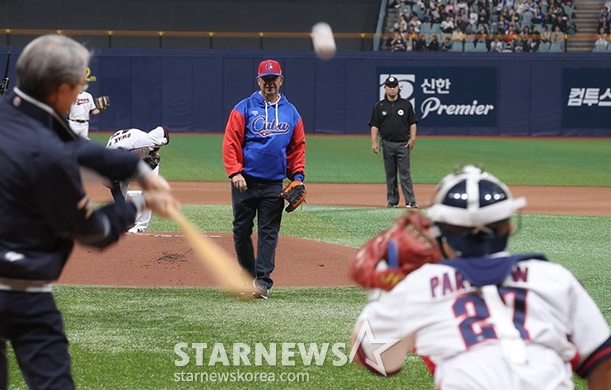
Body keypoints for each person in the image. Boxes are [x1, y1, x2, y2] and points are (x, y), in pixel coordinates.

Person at [0, 34, 177, 389]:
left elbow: (79, 149)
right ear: (61, 88)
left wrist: (137, 171)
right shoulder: (52, 157)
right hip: (24, 293)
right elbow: (92, 231)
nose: (80, 89)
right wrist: (141, 203)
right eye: (77, 82)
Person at [351, 165, 611, 389]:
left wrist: (382, 294)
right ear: (509, 225)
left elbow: (375, 359)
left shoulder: (419, 285)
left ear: (440, 231)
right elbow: (603, 361)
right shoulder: (554, 278)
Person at [222, 59, 306, 299]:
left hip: (273, 185)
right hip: (244, 181)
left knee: (268, 232)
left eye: (274, 79)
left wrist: (298, 177)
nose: (270, 83)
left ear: (281, 80)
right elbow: (231, 142)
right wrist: (235, 171)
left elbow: (297, 146)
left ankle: (262, 282)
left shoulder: (291, 112)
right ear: (258, 81)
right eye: (265, 79)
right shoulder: (244, 107)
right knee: (241, 230)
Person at [106, 125, 170, 233]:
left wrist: (154, 150)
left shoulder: (145, 141)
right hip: (124, 159)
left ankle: (141, 226)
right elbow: (116, 190)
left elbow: (163, 130)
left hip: (136, 147)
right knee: (119, 187)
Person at [369, 76, 419, 209]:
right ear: (385, 88)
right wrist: (374, 142)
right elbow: (375, 125)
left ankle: (410, 201)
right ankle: (392, 201)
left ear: (398, 88)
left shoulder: (406, 104)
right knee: (390, 174)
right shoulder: (379, 106)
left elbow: (412, 123)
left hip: (403, 144)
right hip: (387, 143)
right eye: (389, 86)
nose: (392, 89)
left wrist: (412, 139)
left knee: (405, 173)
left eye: (394, 86)